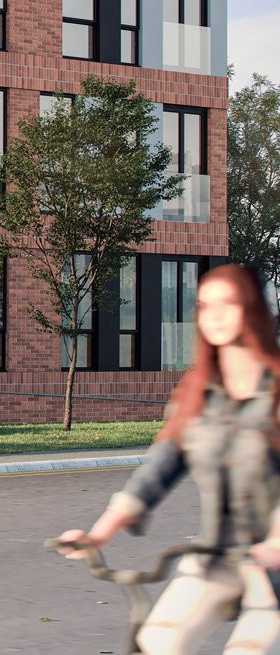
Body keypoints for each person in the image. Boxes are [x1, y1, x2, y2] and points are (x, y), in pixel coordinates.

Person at [57, 263, 280, 654]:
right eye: (206, 306)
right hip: (215, 557)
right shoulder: (197, 395)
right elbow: (155, 473)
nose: (216, 316)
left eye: (229, 303)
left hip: (274, 569)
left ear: (253, 309)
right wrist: (97, 535)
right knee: (157, 642)